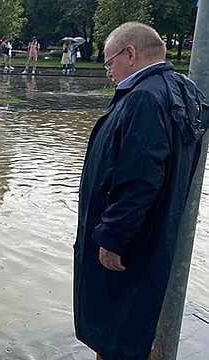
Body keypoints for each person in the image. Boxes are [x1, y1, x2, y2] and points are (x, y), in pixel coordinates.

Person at [74, 22, 209, 360]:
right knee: (130, 331)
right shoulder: (179, 89)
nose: (108, 72)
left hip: (131, 243)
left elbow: (139, 178)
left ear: (130, 54)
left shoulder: (144, 99)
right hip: (151, 237)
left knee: (115, 334)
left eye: (109, 63)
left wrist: (113, 238)